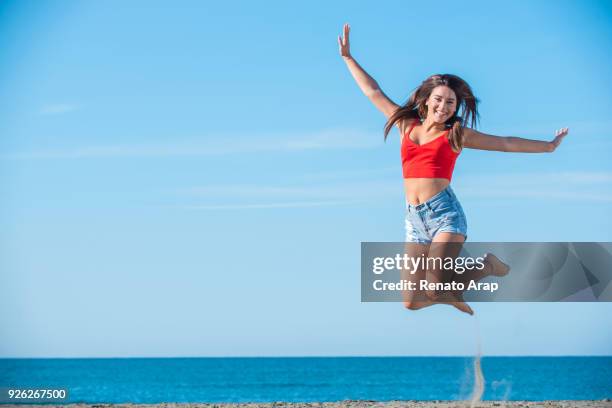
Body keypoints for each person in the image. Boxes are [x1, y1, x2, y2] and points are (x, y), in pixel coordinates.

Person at [338, 23, 569, 314]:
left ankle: (484, 268)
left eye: (450, 102)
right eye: (438, 100)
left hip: (445, 215)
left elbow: (506, 143)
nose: (443, 106)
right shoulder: (405, 125)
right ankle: (452, 291)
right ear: (425, 100)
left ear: (455, 107)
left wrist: (548, 146)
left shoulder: (456, 135)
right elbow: (373, 92)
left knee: (434, 290)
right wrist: (348, 58)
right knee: (411, 302)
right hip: (414, 221)